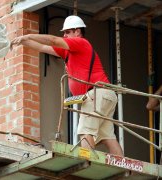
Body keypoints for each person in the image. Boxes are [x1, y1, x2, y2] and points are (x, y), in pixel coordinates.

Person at [10, 15, 123, 156]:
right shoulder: (69, 51)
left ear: (77, 31)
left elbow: (53, 40)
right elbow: (43, 47)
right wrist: (23, 41)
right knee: (108, 137)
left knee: (85, 131)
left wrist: (30, 36)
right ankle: (121, 164)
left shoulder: (81, 42)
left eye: (67, 32)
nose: (64, 35)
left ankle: (86, 161)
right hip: (104, 95)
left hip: (96, 95)